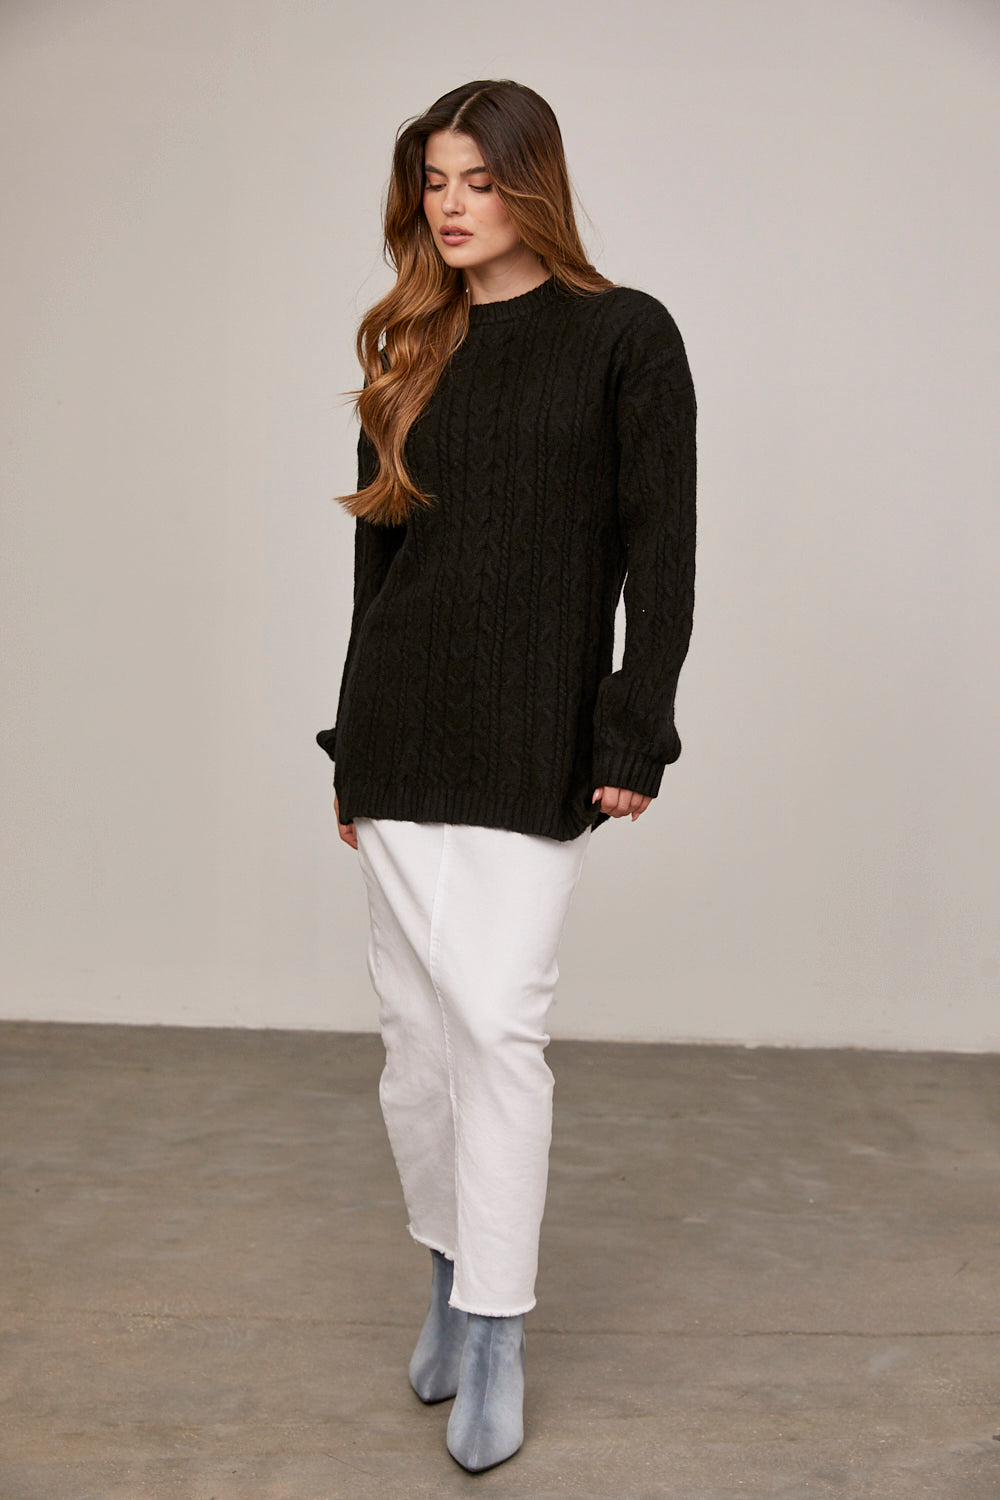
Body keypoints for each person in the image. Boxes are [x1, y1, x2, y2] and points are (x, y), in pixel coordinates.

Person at [316, 78, 697, 1473]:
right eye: (434, 181)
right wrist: (348, 748)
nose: (452, 205)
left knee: (494, 1027)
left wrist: (633, 728)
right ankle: (444, 1280)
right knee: (417, 1044)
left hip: (534, 735)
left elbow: (662, 548)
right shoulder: (411, 345)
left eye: (478, 179)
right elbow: (379, 562)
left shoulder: (625, 335)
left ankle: (496, 1330)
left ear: (534, 183)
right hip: (401, 729)